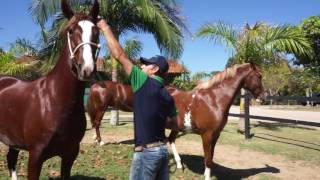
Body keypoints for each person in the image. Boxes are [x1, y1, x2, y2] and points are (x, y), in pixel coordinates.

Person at [97, 18, 178, 180]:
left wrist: (104, 27)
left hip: (146, 153)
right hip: (163, 151)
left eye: (145, 64)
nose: (141, 66)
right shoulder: (168, 95)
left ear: (154, 69)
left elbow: (119, 55)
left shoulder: (142, 81)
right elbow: (175, 124)